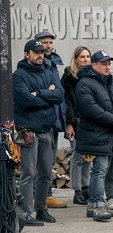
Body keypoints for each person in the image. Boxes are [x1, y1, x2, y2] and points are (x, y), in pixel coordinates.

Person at [13, 39, 65, 226]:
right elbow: (26, 101)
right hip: (29, 132)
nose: (40, 55)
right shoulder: (18, 75)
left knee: (45, 173)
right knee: (29, 173)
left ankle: (41, 210)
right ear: (27, 54)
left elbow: (59, 96)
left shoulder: (50, 72)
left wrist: (39, 93)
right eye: (36, 52)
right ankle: (26, 214)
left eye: (42, 52)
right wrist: (48, 96)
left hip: (47, 131)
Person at [75, 50, 113, 222]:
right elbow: (90, 109)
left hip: (110, 133)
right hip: (95, 134)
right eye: (103, 63)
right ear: (94, 65)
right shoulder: (84, 84)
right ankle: (98, 205)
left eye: (109, 63)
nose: (107, 66)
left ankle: (93, 205)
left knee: (102, 169)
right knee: (99, 170)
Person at [34, 30, 69, 209]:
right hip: (41, 120)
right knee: (40, 162)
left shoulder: (53, 63)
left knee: (49, 160)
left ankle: (45, 195)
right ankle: (41, 196)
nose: (48, 46)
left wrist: (51, 92)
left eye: (50, 42)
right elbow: (36, 91)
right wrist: (49, 92)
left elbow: (59, 93)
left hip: (54, 118)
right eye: (44, 43)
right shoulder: (38, 65)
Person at [61, 46, 93, 205]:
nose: (86, 59)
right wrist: (69, 124)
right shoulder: (68, 77)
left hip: (90, 124)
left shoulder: (93, 77)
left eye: (88, 56)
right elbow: (66, 103)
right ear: (75, 59)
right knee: (77, 157)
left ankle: (86, 187)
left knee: (88, 157)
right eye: (82, 57)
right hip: (75, 123)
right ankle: (77, 191)